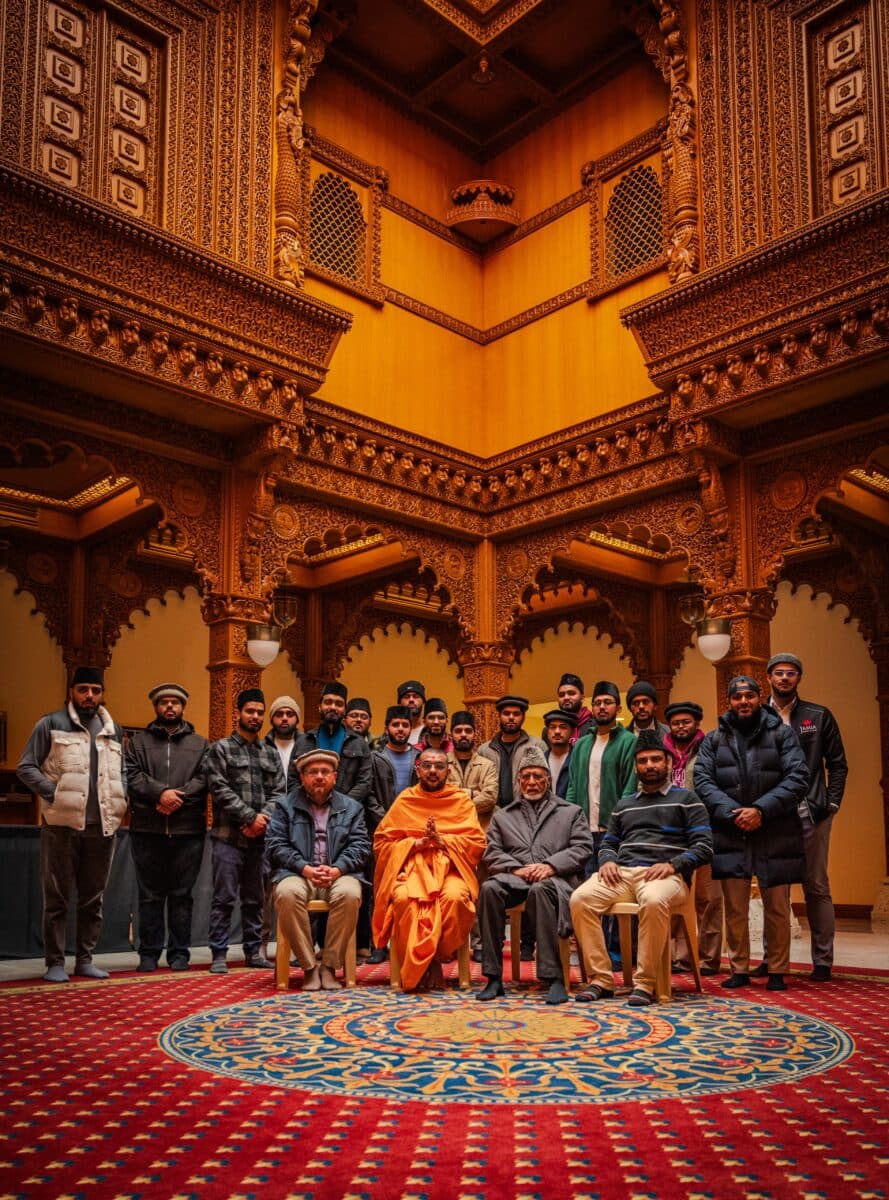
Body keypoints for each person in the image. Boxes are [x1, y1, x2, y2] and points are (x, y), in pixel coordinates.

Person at [570, 731, 713, 1006]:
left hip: (667, 877)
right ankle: (601, 979)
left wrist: (673, 864)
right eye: (643, 761)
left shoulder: (687, 800)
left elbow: (704, 847)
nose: (650, 765)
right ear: (636, 766)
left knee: (653, 898)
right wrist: (608, 861)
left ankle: (645, 984)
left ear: (668, 763)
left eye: (656, 760)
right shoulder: (624, 805)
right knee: (580, 899)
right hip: (623, 875)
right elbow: (609, 843)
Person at [693, 674, 809, 992]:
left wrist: (760, 810)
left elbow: (798, 777)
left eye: (749, 696)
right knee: (734, 905)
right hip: (731, 831)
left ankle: (777, 969)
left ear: (759, 698)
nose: (743, 701)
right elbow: (702, 781)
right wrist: (736, 814)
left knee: (776, 904)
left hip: (776, 829)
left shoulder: (782, 735)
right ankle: (739, 968)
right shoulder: (714, 739)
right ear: (728, 702)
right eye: (736, 697)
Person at [17, 666, 126, 983]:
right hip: (61, 826)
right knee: (57, 897)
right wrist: (54, 793)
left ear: (102, 693)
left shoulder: (113, 729)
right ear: (72, 691)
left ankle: (85, 960)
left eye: (95, 689)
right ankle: (54, 962)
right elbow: (26, 767)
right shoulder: (50, 723)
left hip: (101, 828)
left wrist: (121, 801)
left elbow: (120, 774)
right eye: (83, 689)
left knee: (94, 899)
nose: (89, 695)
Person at [476, 746, 594, 1005]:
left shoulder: (570, 812)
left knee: (541, 890)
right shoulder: (503, 816)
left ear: (548, 780)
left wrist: (551, 866)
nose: (532, 782)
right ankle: (493, 977)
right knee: (489, 889)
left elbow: (583, 847)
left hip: (558, 880)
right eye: (526, 776)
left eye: (538, 776)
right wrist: (515, 868)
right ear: (518, 781)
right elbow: (491, 850)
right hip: (516, 877)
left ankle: (554, 978)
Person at [372, 747, 485, 991]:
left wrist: (443, 841)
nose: (433, 771)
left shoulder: (461, 801)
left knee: (456, 898)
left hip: (451, 869)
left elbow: (476, 843)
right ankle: (426, 962)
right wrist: (416, 844)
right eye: (427, 765)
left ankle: (431, 957)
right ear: (418, 769)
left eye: (439, 766)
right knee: (403, 899)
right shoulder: (405, 800)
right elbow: (382, 842)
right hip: (412, 868)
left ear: (449, 770)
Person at [766, 652, 848, 982]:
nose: (785, 678)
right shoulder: (758, 717)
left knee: (816, 886)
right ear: (768, 677)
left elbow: (838, 764)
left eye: (791, 673)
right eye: (779, 673)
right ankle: (773, 960)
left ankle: (823, 960)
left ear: (798, 678)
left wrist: (832, 803)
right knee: (775, 889)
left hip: (812, 812)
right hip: (773, 816)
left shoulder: (818, 715)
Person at [265, 749, 370, 990]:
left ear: (335, 776)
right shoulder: (284, 806)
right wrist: (305, 869)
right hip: (297, 873)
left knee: (350, 894)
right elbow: (275, 845)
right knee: (287, 894)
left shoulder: (352, 808)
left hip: (339, 874)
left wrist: (337, 869)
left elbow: (361, 846)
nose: (319, 777)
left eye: (325, 772)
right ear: (302, 777)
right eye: (313, 772)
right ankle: (309, 967)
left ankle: (329, 966)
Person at [126, 682, 209, 972]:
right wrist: (160, 793)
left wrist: (176, 799)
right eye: (164, 703)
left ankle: (179, 955)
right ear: (156, 707)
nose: (170, 707)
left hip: (188, 831)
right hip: (147, 830)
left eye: (175, 702)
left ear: (183, 707)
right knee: (149, 895)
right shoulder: (137, 743)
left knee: (182, 896)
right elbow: (132, 777)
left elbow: (204, 778)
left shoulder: (200, 744)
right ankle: (148, 954)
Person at [205, 688, 285, 973]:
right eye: (250, 711)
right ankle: (218, 954)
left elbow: (280, 792)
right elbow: (219, 789)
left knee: (255, 899)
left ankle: (254, 951)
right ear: (238, 713)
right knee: (223, 898)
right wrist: (250, 817)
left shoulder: (271, 753)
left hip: (260, 839)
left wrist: (262, 819)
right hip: (228, 836)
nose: (255, 717)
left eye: (260, 712)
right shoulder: (221, 749)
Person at [663, 700, 723, 975]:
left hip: (704, 831)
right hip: (671, 835)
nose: (681, 727)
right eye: (676, 723)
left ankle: (708, 958)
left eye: (686, 722)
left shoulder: (710, 748)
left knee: (708, 899)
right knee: (675, 896)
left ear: (697, 724)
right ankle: (680, 957)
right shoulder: (661, 751)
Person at [366, 705, 421, 962]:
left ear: (411, 729)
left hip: (413, 833)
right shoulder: (375, 757)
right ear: (387, 727)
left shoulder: (420, 759)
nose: (400, 729)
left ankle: (408, 939)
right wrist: (388, 821)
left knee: (411, 888)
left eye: (405, 725)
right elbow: (369, 795)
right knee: (381, 887)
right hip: (384, 833)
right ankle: (379, 944)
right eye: (396, 724)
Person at [565, 681, 637, 853]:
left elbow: (630, 788)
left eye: (608, 702)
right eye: (597, 703)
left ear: (618, 709)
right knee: (585, 879)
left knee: (611, 878)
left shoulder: (629, 741)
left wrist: (620, 824)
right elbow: (572, 787)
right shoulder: (581, 745)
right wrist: (571, 821)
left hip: (614, 831)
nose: (602, 707)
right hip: (583, 832)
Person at [294, 682, 372, 807]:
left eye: (339, 704)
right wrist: (307, 806)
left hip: (346, 815)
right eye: (328, 702)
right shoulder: (304, 741)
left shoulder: (359, 743)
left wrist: (342, 806)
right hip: (308, 813)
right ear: (319, 706)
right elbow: (293, 779)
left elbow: (364, 782)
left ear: (345, 710)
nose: (333, 707)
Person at [478, 695, 546, 810]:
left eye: (516, 714)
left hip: (527, 812)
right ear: (499, 716)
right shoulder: (484, 750)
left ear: (523, 717)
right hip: (493, 814)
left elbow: (545, 783)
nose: (511, 717)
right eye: (506, 713)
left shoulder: (537, 746)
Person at [446, 711, 497, 829]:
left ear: (475, 734)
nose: (463, 734)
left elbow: (490, 798)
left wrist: (456, 801)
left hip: (480, 829)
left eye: (468, 731)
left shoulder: (487, 766)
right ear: (450, 735)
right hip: (450, 830)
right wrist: (473, 793)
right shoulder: (441, 764)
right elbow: (439, 797)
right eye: (458, 731)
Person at [263, 695, 301, 792]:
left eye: (289, 714)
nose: (284, 718)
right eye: (279, 714)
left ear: (297, 719)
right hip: (270, 805)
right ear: (272, 719)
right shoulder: (262, 747)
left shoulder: (307, 745)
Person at [542, 708, 576, 798]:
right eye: (553, 727)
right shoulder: (541, 761)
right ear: (548, 732)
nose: (557, 731)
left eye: (563, 727)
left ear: (572, 732)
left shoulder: (578, 759)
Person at [556, 673, 592, 743]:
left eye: (571, 693)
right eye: (561, 695)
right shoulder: (550, 730)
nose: (566, 697)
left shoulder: (596, 727)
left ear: (582, 698)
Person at [396, 679, 427, 746]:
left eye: (416, 696)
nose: (411, 700)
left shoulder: (431, 730)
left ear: (423, 701)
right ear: (399, 703)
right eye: (406, 697)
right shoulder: (393, 732)